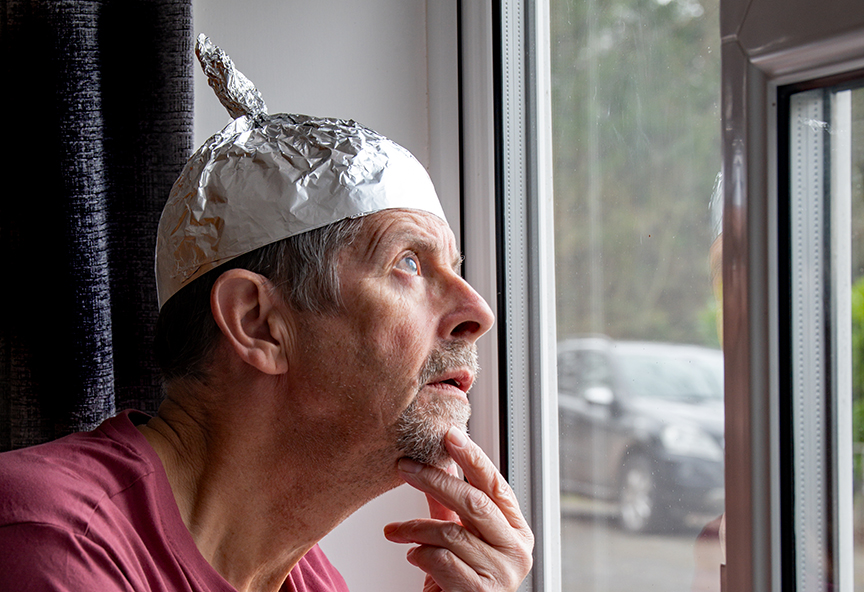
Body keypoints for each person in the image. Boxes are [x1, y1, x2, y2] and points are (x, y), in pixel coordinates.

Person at [0, 36, 534, 592]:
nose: (478, 312)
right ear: (257, 322)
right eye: (408, 263)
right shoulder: (50, 542)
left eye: (453, 268)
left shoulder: (313, 582)